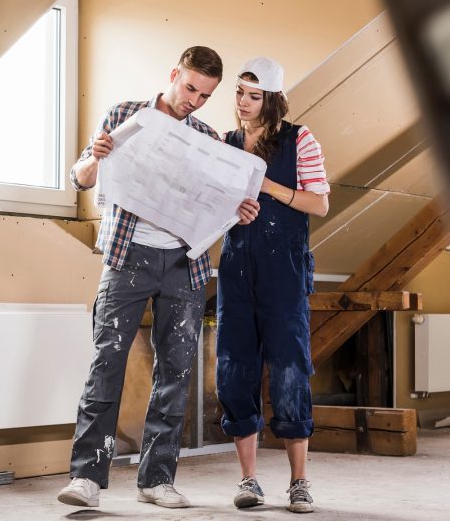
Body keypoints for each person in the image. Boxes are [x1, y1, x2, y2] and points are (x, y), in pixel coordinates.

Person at [58, 46, 250, 510]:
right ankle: (87, 478)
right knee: (108, 362)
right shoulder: (126, 114)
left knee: (176, 371)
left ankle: (157, 478)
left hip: (185, 264)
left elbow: (214, 199)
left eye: (205, 96)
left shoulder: (207, 136)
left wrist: (239, 210)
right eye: (190, 89)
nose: (194, 101)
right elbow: (81, 177)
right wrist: (96, 158)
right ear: (173, 75)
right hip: (127, 257)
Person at [216, 56, 330, 514]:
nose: (244, 103)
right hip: (236, 270)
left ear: (273, 99)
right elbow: (212, 204)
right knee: (234, 369)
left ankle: (299, 482)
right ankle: (248, 480)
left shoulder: (299, 139)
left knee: (289, 371)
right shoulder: (224, 144)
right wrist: (232, 210)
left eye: (254, 95)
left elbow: (319, 203)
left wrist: (269, 187)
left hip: (284, 272)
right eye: (240, 93)